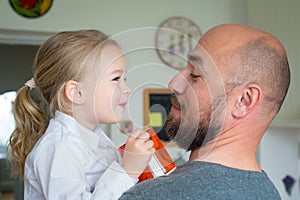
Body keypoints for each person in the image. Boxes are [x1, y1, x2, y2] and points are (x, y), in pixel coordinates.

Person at [120, 23, 290, 199]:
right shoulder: (269, 194)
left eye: (195, 74)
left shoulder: (151, 195)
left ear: (244, 100)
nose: (174, 84)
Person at [8, 30, 155, 199]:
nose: (127, 89)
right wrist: (128, 170)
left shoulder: (97, 142)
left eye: (125, 79)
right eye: (116, 79)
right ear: (76, 92)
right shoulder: (60, 147)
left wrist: (136, 167)